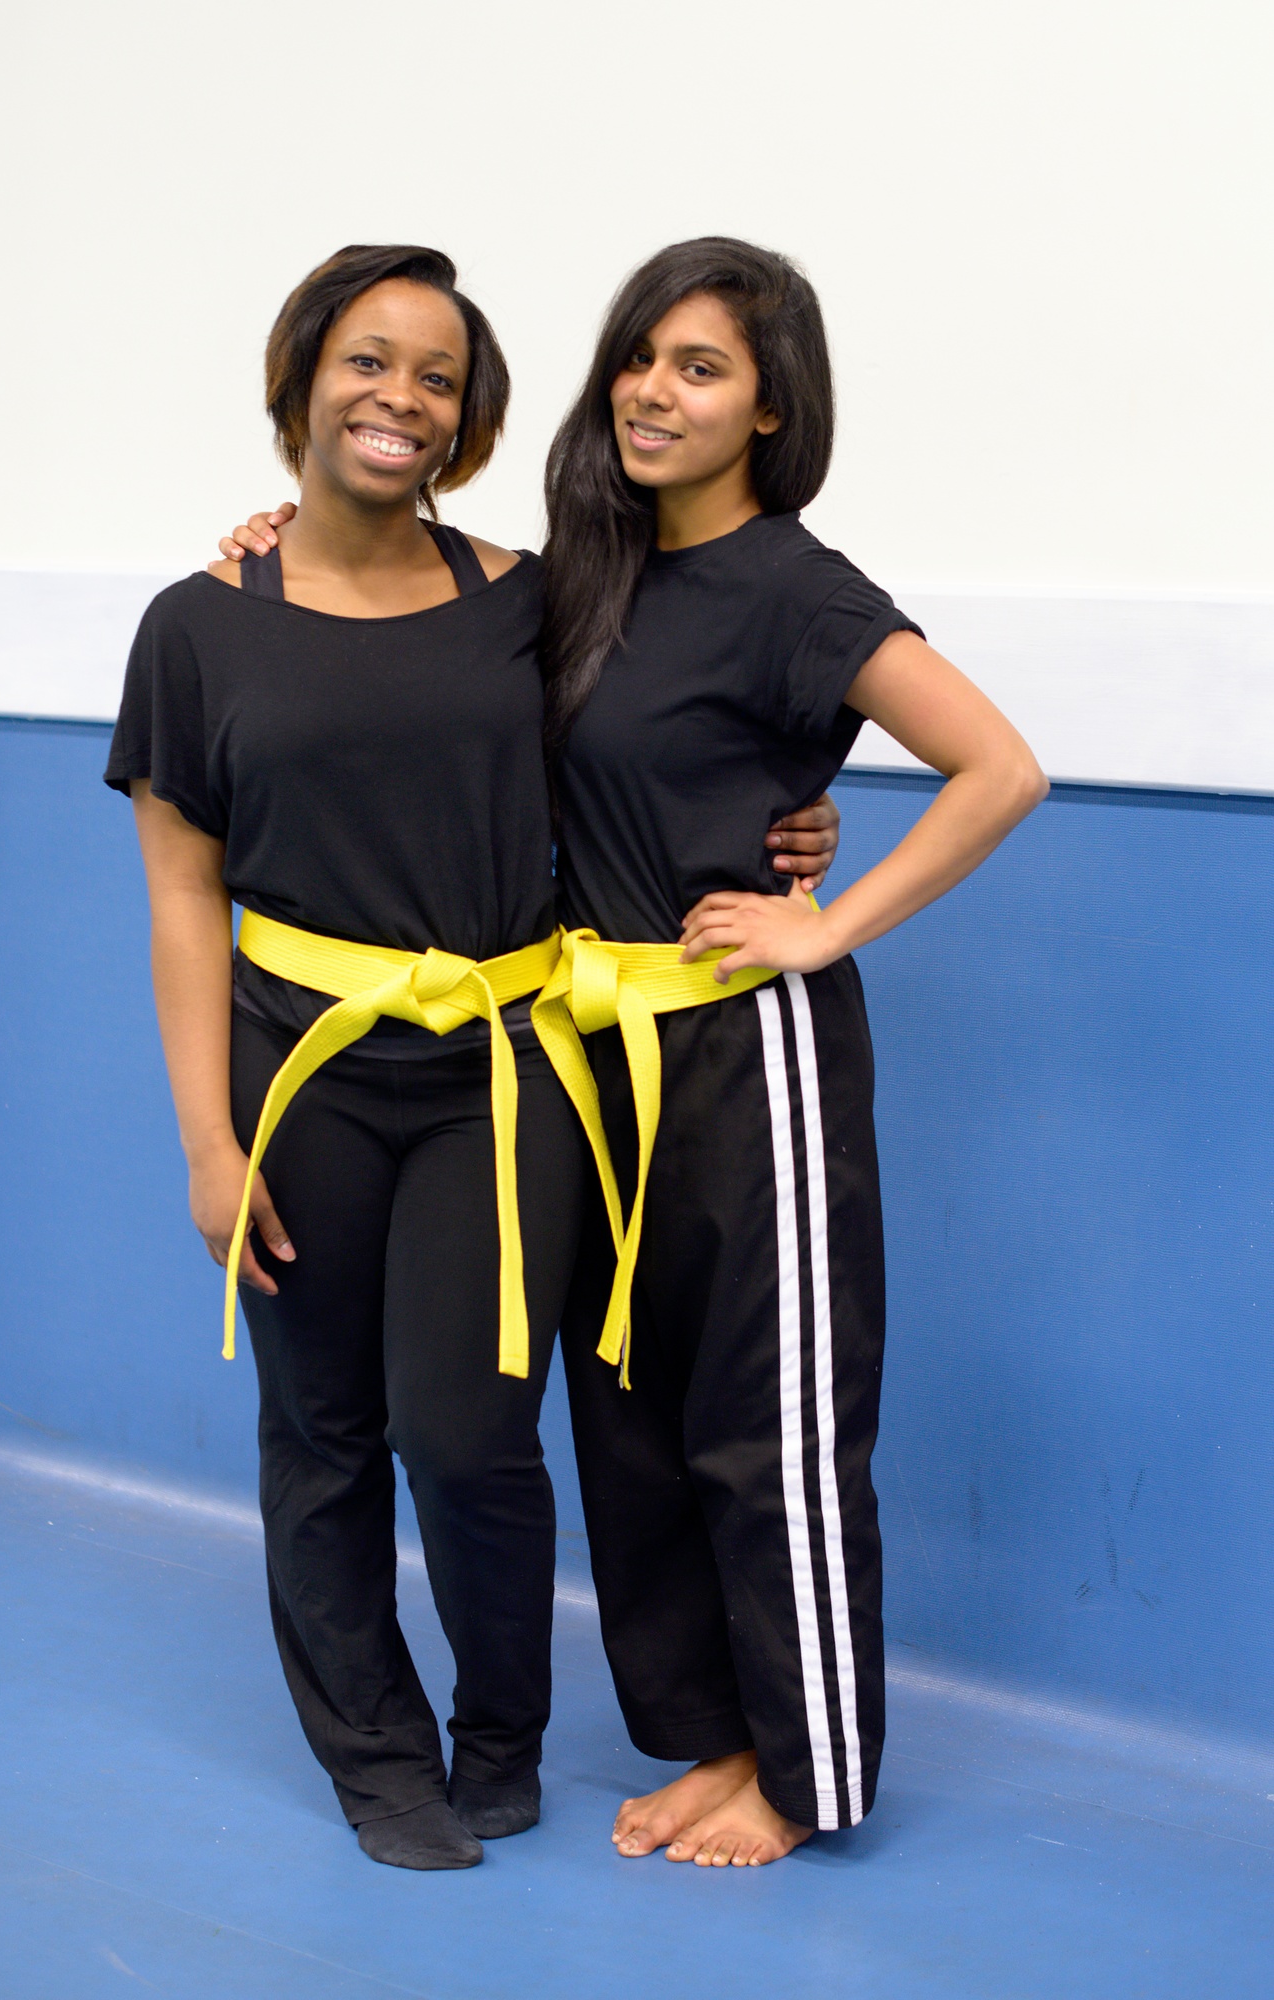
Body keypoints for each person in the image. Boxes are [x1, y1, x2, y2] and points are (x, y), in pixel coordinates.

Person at [220, 236, 1045, 1871]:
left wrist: (823, 920)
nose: (653, 392)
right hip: (586, 1061)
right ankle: (722, 1738)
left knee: (768, 1423)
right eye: (640, 357)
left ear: (768, 408)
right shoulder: (585, 574)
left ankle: (806, 1779)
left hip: (745, 1061)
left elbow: (997, 767)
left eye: (701, 368)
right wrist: (270, 537)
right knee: (635, 1422)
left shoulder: (798, 588)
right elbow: (434, 642)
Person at [106, 244, 586, 1873]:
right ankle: (377, 1759)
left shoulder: (531, 601)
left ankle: (500, 1733)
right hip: (294, 1076)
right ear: (302, 379)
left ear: (468, 420)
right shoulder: (196, 626)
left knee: (466, 1434)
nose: (399, 397)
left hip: (497, 1072)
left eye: (437, 378)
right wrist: (206, 1142)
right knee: (320, 1432)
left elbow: (657, 757)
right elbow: (184, 898)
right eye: (368, 360)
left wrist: (795, 827)